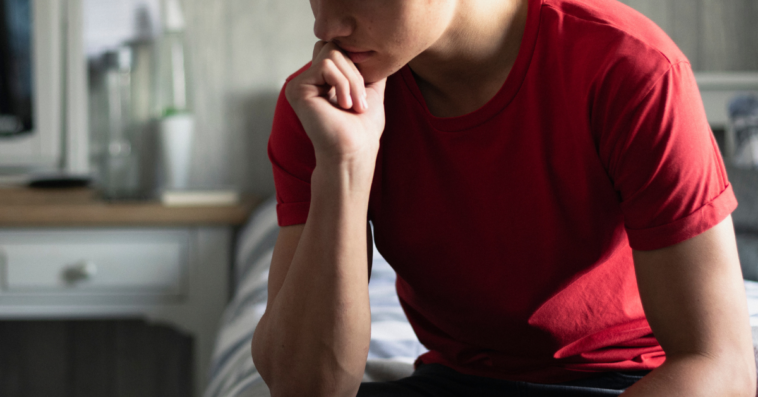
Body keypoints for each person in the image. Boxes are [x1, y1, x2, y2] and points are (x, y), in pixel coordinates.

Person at [251, 0, 757, 395]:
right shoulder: (322, 108)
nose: (325, 26)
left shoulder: (630, 69)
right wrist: (345, 164)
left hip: (627, 383)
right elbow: (304, 388)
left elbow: (721, 365)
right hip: (454, 382)